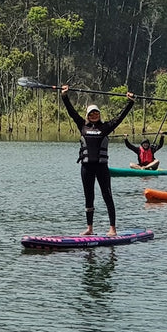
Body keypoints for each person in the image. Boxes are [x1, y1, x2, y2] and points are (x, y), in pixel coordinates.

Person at [61, 85, 135, 237]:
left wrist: (130, 102)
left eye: (96, 113)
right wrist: (64, 96)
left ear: (99, 115)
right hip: (86, 168)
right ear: (87, 115)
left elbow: (120, 117)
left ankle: (112, 228)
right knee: (89, 197)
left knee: (107, 195)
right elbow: (71, 112)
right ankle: (90, 228)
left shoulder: (106, 127)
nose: (94, 115)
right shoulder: (82, 125)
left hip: (101, 168)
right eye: (91, 113)